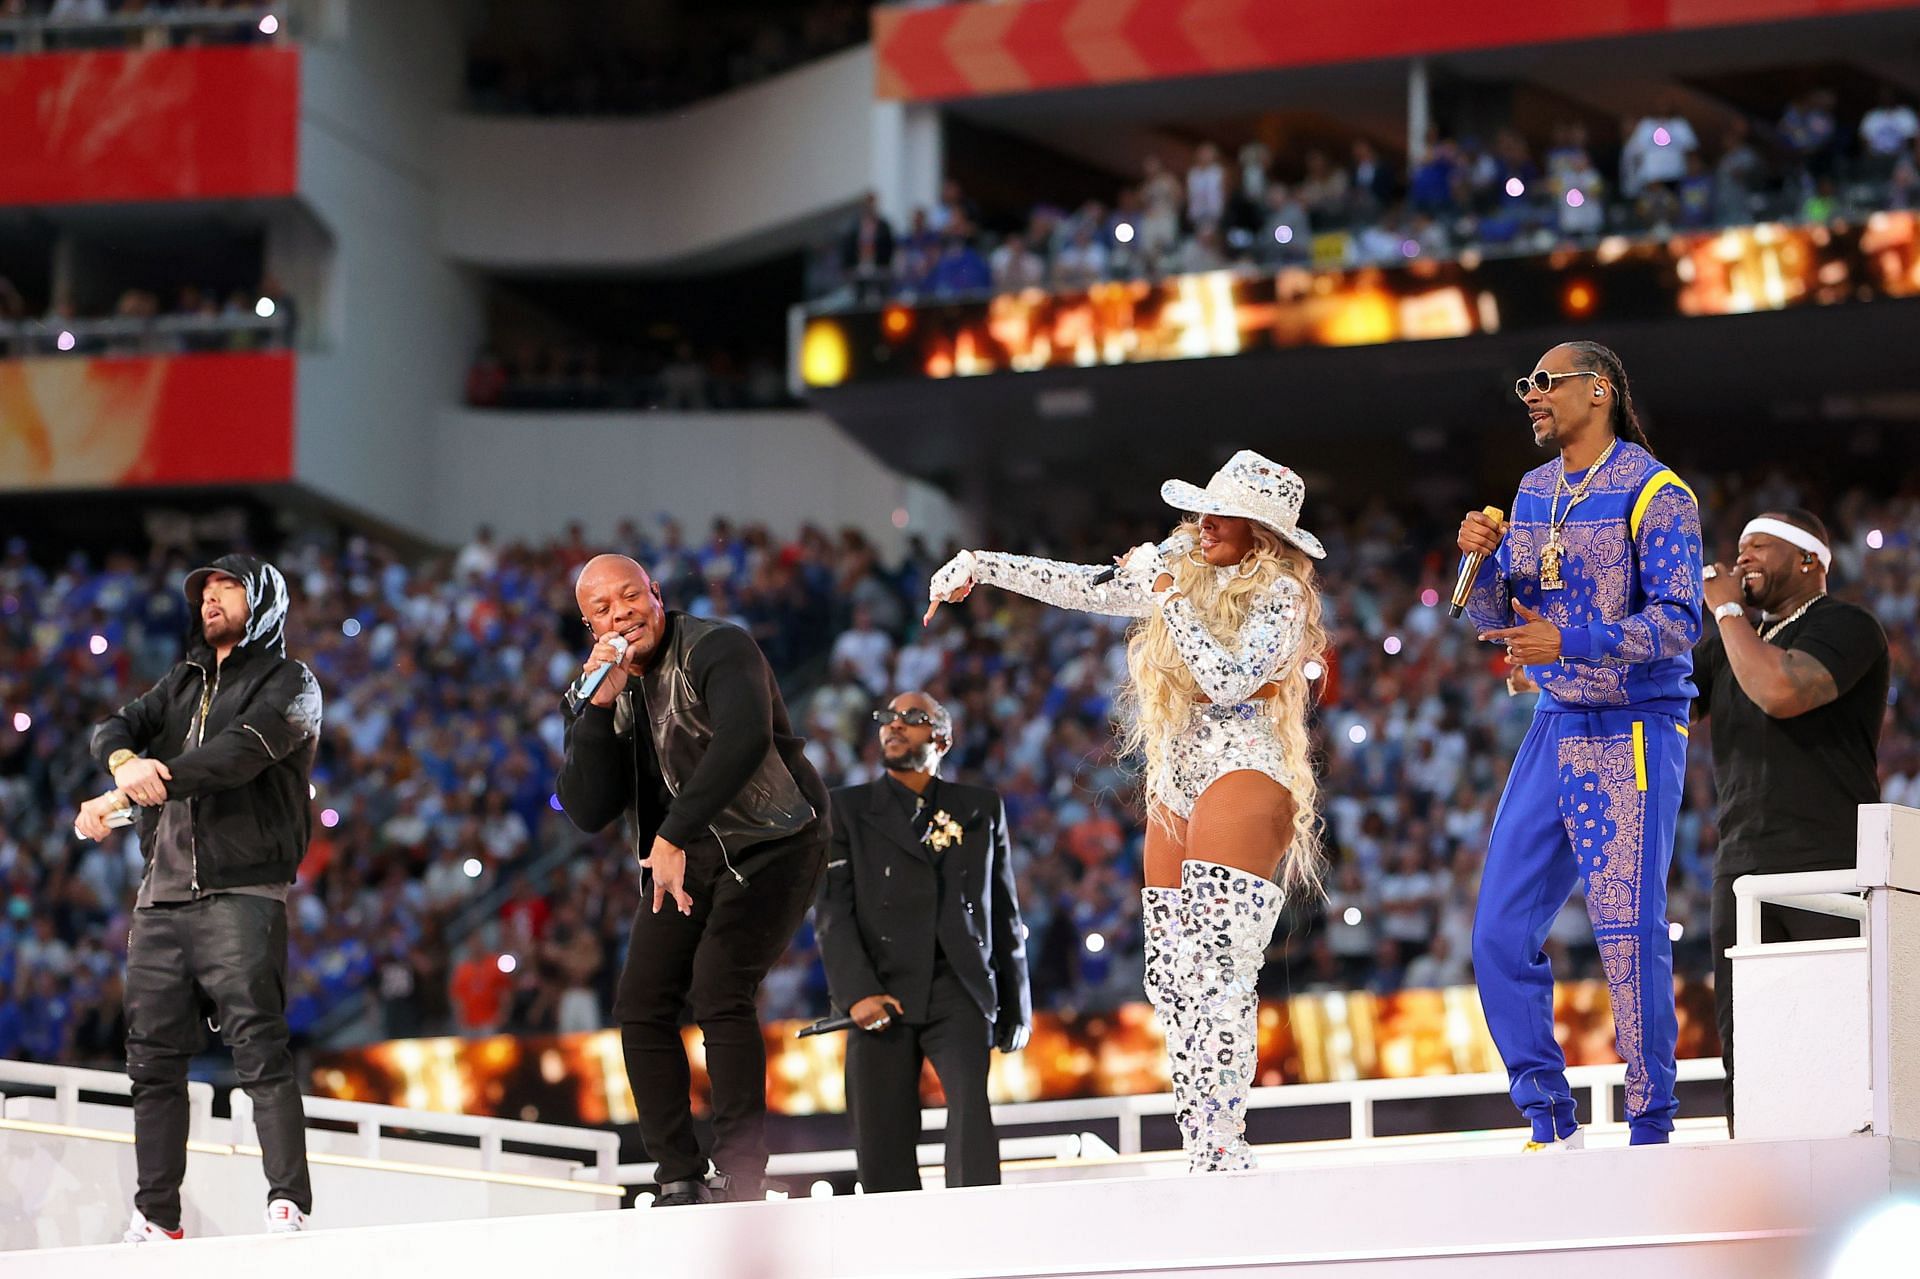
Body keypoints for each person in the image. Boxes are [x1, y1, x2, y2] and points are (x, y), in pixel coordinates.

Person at [927, 450, 1328, 1173]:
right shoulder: (1184, 567)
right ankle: (1200, 1142)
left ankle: (1223, 1149)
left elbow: (1229, 680)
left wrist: (1169, 590)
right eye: (1203, 509)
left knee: (1218, 967)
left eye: (1222, 514)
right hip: (1177, 774)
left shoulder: (1282, 596)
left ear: (1262, 532)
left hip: (1248, 764)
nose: (1203, 523)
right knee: (1171, 973)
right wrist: (981, 563)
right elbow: (1090, 586)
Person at [1459, 340, 1703, 1150]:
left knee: (1625, 931)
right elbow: (1507, 622)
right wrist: (1483, 567)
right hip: (1556, 722)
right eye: (1526, 384)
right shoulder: (1532, 492)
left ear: (1597, 390)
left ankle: (1650, 1128)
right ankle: (1549, 1117)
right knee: (1497, 931)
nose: (1531, 395)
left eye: (1546, 382)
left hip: (1633, 723)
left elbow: (1678, 621)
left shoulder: (1658, 493)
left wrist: (1572, 639)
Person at [556, 554, 829, 1206]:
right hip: (688, 857)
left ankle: (740, 1172)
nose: (620, 613)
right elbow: (586, 808)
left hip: (776, 838)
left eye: (630, 596)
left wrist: (672, 834)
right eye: (602, 607)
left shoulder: (717, 645)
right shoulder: (602, 684)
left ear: (656, 594)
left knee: (718, 987)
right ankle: (678, 1173)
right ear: (588, 623)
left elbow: (742, 739)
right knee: (640, 1005)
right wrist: (595, 707)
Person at [75, 554, 322, 1241]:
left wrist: (130, 788)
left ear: (264, 600)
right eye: (205, 590)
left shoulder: (291, 682)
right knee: (150, 1063)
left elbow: (236, 756)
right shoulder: (180, 681)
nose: (211, 598)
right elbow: (111, 728)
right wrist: (126, 764)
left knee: (259, 1051)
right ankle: (157, 1215)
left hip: (241, 890)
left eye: (228, 588)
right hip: (159, 899)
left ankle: (287, 1204)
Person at [1694, 509, 1889, 1133]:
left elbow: (1782, 692)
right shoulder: (1732, 645)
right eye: (1740, 546)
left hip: (1825, 859)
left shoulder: (1847, 626)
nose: (1743, 557)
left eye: (1761, 547)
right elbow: (1647, 696)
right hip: (1741, 862)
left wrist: (1726, 614)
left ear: (1809, 560)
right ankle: (1753, 1156)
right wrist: (1553, 665)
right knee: (1745, 1031)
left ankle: (1850, 1157)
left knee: (1829, 1019)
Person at [815, 691, 1031, 1192]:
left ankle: (976, 1236)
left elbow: (1004, 910)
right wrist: (857, 993)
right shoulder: (846, 809)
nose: (894, 726)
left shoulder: (979, 807)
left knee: (970, 1117)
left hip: (957, 985)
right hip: (879, 988)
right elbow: (832, 912)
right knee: (880, 1136)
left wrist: (1017, 1006)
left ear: (942, 737)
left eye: (912, 718)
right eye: (888, 718)